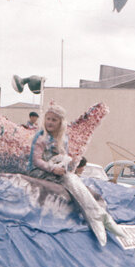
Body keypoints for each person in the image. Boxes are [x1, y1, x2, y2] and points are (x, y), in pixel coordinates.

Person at [28, 102, 123, 245]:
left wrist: (64, 164)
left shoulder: (62, 139)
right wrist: (53, 168)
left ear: (61, 122)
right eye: (48, 119)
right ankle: (96, 216)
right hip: (40, 172)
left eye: (54, 120)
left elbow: (63, 156)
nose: (50, 122)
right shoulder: (41, 138)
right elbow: (36, 160)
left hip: (56, 171)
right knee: (70, 180)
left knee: (72, 178)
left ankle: (98, 215)